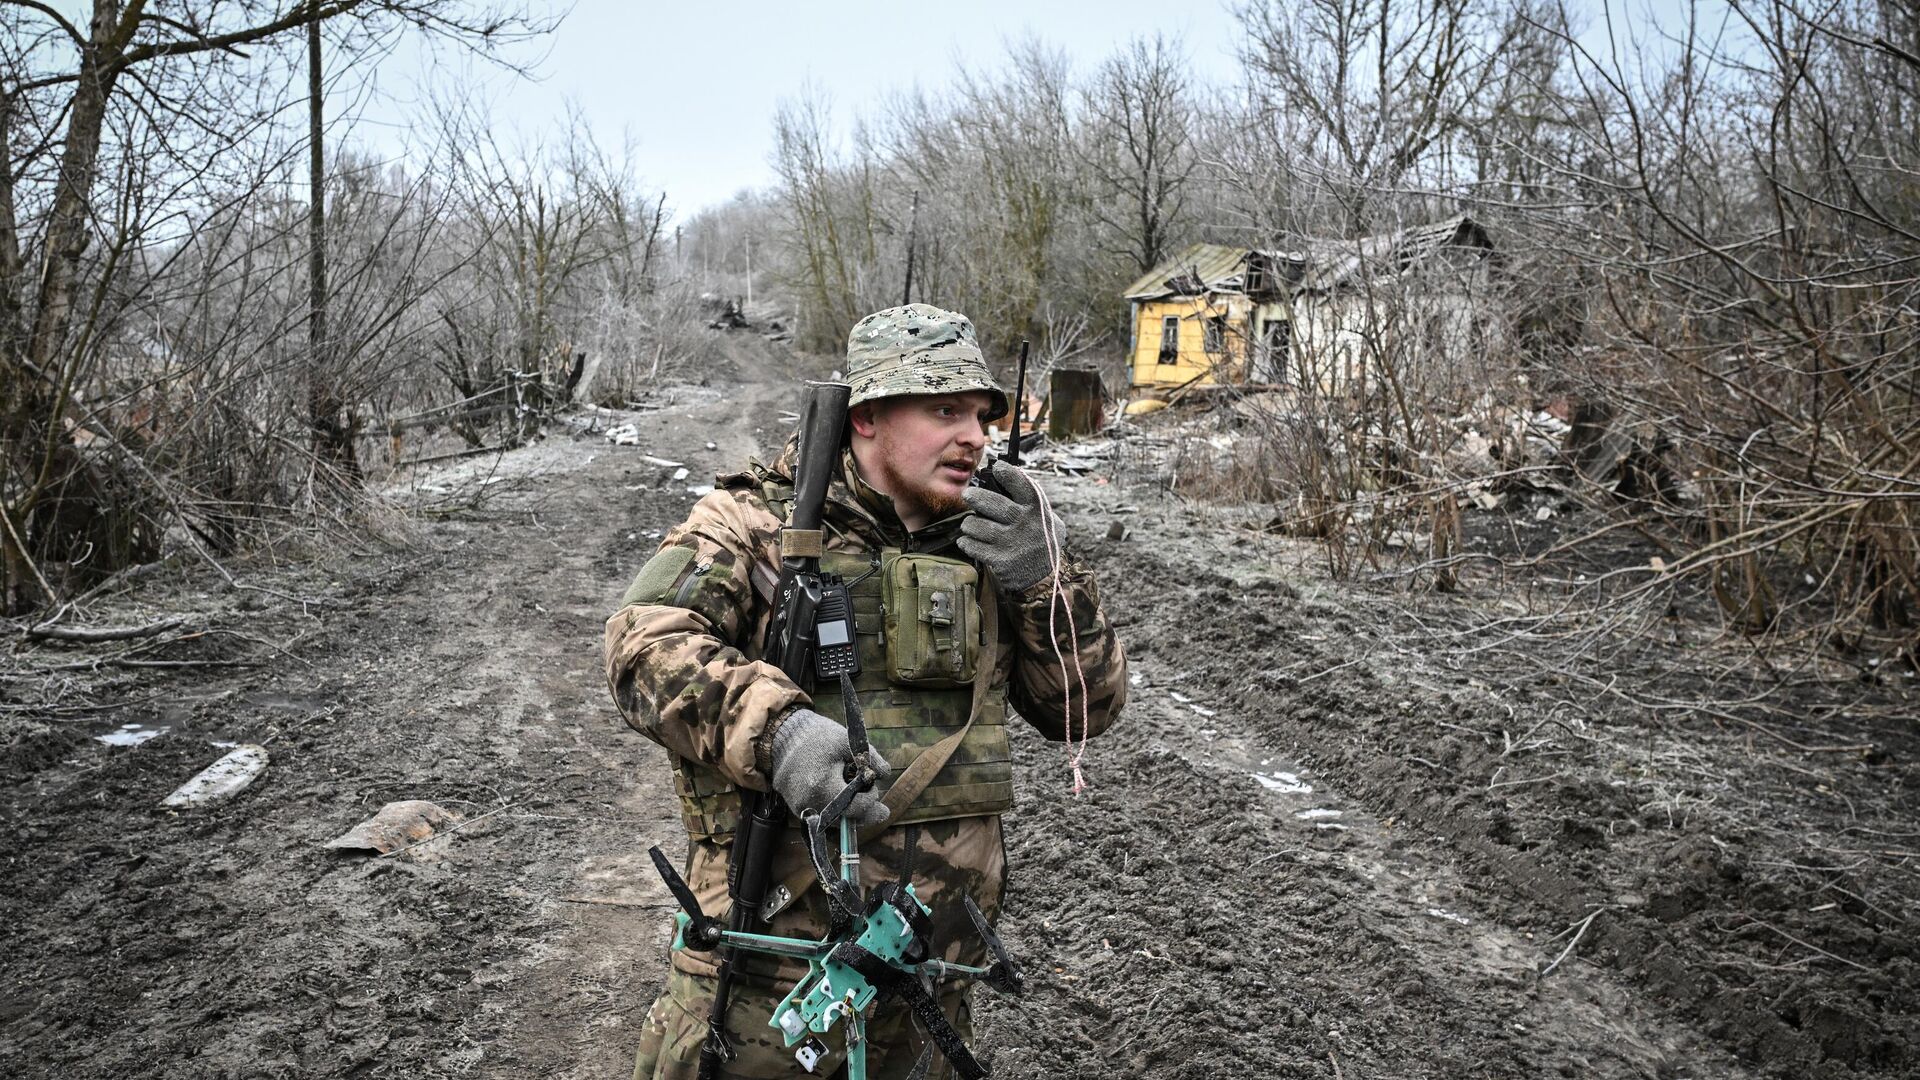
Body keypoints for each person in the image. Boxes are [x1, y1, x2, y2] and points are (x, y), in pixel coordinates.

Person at [604, 303, 1128, 1079]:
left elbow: (1085, 710)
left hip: (934, 985)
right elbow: (641, 644)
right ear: (868, 418)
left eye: (982, 414)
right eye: (945, 409)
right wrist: (777, 730)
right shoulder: (758, 523)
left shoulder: (994, 540)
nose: (974, 435)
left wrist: (1043, 582)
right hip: (773, 983)